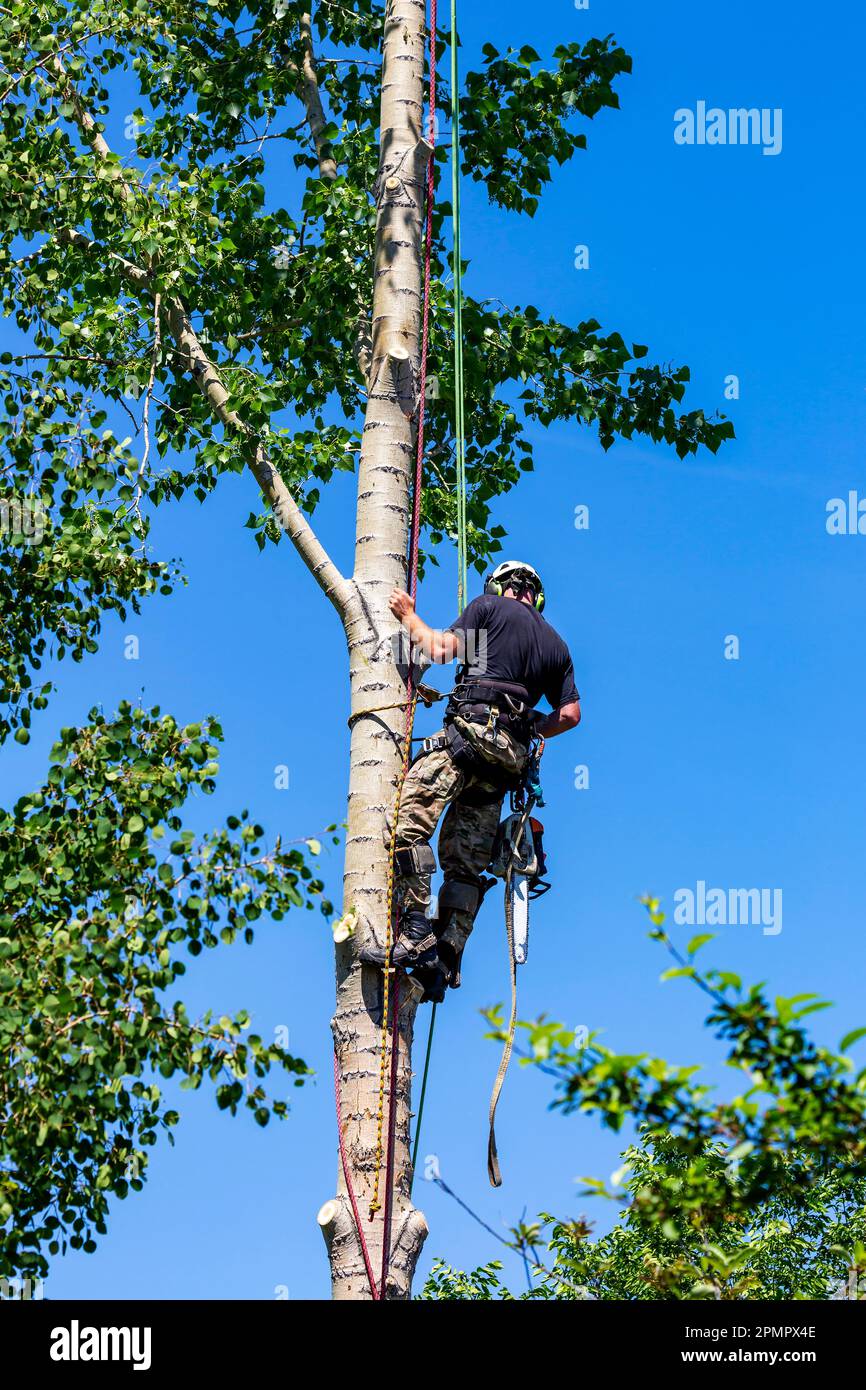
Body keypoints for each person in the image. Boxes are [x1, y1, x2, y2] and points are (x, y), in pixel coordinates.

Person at [360, 560, 581, 1003]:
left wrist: (407, 614)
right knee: (465, 863)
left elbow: (440, 649)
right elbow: (571, 715)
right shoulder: (556, 645)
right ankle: (445, 958)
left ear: (500, 587)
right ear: (535, 596)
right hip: (505, 763)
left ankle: (416, 930)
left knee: (408, 825)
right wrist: (533, 724)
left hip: (469, 739)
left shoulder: (489, 609)